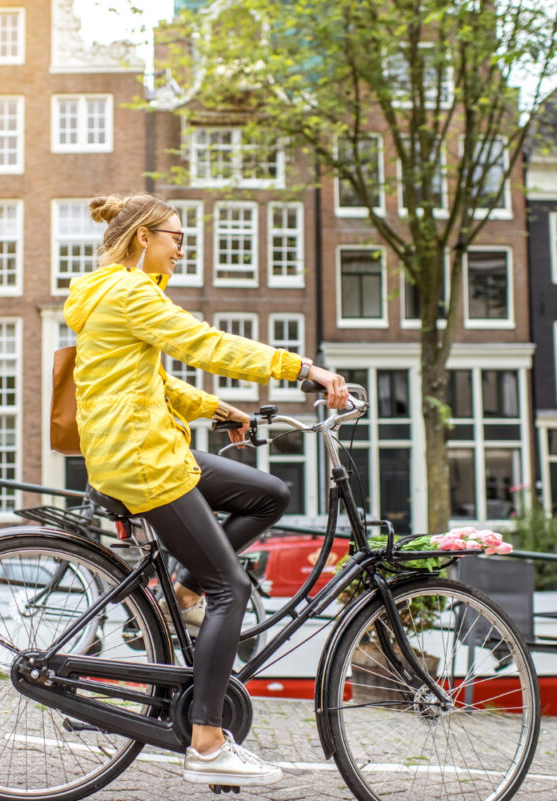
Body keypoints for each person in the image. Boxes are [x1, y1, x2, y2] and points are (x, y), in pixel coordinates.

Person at [64, 192, 349, 787]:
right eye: (176, 235)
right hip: (145, 460)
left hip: (139, 448)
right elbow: (209, 345)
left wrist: (218, 408)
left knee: (268, 494)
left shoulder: (107, 293)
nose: (182, 245)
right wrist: (306, 370)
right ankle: (207, 740)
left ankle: (185, 594)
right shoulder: (131, 292)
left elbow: (154, 378)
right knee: (234, 588)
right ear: (145, 237)